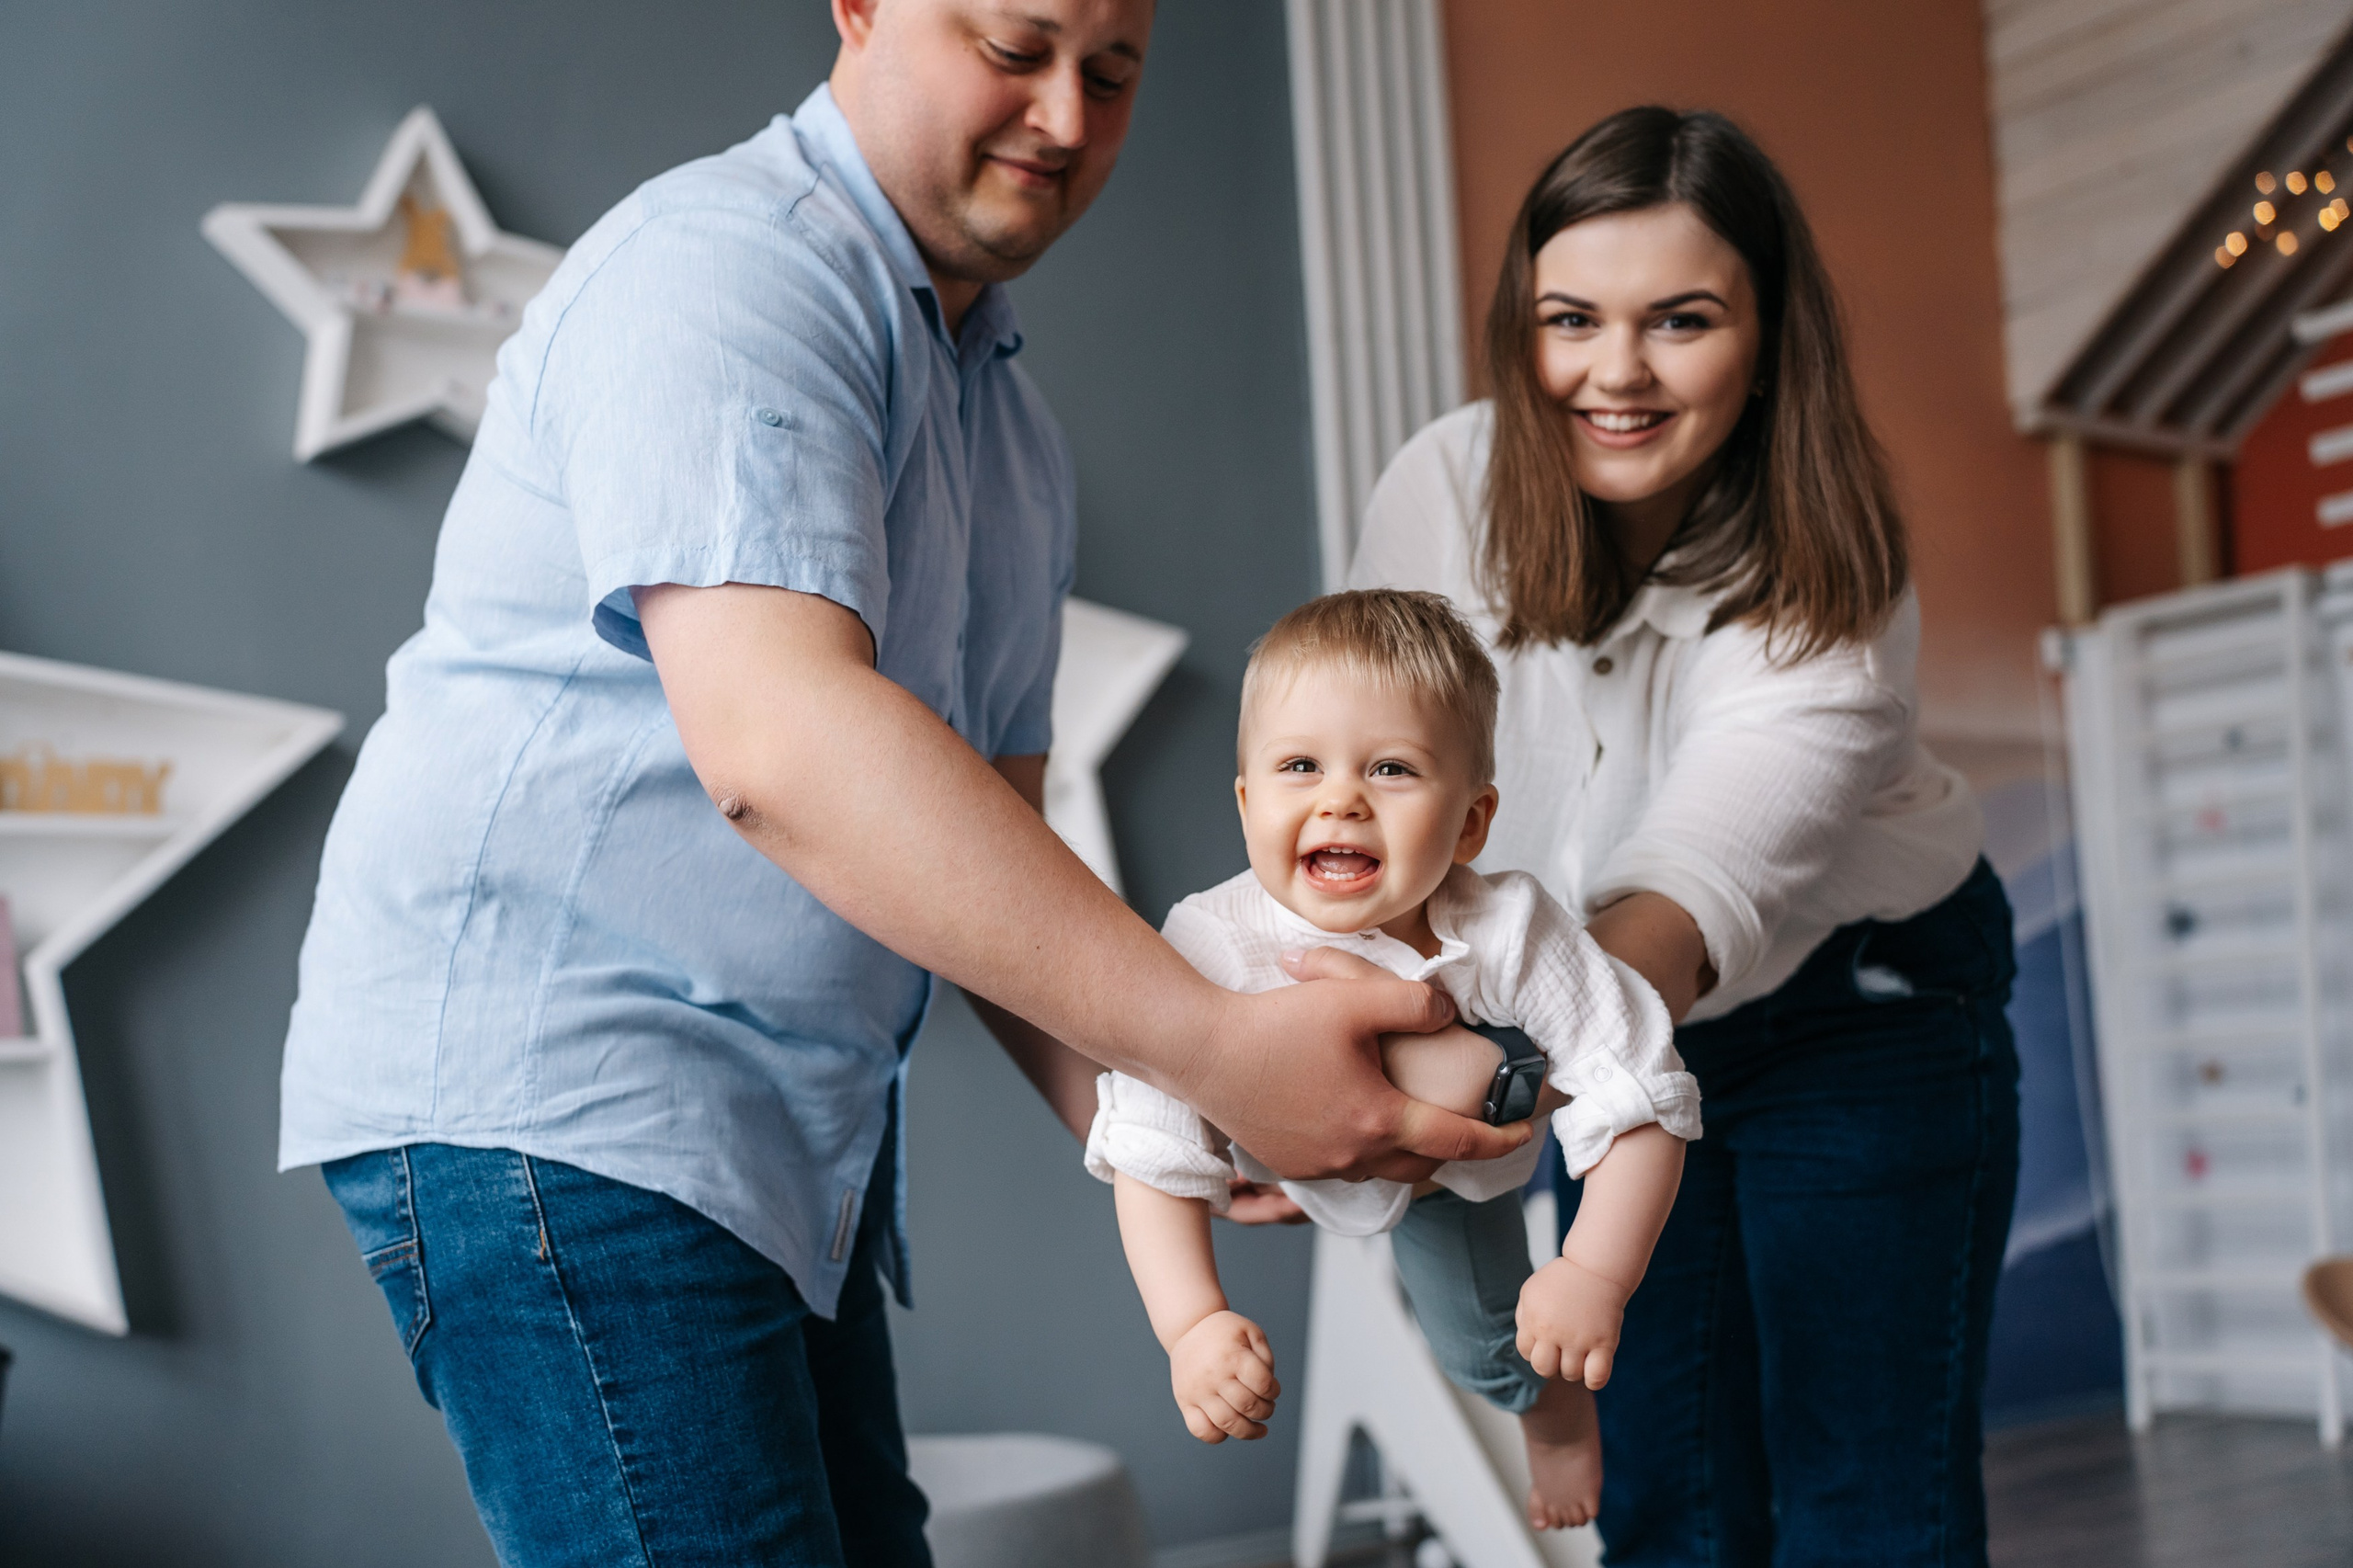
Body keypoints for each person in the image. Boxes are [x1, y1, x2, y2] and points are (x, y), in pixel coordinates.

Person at [276, 5, 1527, 1564]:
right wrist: (1215, 1041)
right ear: (860, 6)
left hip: (775, 1146)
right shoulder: (728, 273)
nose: (1067, 117)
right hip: (568, 1098)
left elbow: (987, 830)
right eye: (1018, 46)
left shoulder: (1010, 429)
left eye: (1116, 74)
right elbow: (782, 750)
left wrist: (1190, 1098)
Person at [1350, 108, 2017, 1566]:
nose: (1616, 374)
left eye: (1683, 321)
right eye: (1570, 319)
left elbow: (1691, 888)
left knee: (1867, 1501)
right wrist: (1325, 1059)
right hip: (1604, 1024)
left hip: (1857, 1009)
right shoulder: (1445, 491)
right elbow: (1368, 783)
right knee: (1668, 1501)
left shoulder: (1833, 556)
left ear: (1770, 336)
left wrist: (1468, 1068)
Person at [1086, 589, 1696, 1529]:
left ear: (1468, 824)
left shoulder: (1509, 925)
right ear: (1247, 801)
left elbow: (1640, 1084)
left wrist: (1591, 1271)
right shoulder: (1211, 938)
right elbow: (1147, 1141)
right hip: (1271, 1155)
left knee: (1485, 1343)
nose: (1340, 796)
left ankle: (1558, 1415)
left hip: (1450, 1175)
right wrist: (1192, 1321)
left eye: (1390, 768)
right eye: (1298, 765)